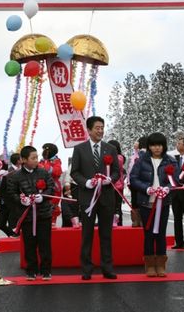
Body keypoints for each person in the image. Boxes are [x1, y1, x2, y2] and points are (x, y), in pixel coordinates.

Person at [70, 116, 120, 280]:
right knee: (87, 234)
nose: (100, 130)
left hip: (106, 198)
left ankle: (107, 268)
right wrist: (86, 183)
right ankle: (86, 269)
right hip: (87, 198)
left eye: (102, 127)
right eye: (97, 128)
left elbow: (116, 172)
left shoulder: (110, 149)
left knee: (106, 234)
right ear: (89, 130)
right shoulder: (79, 149)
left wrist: (109, 179)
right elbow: (74, 172)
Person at [130, 132, 177, 277]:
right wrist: (146, 188)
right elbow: (133, 178)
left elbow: (175, 181)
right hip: (146, 203)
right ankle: (150, 264)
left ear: (164, 146)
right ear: (149, 146)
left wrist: (167, 188)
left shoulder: (170, 161)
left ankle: (161, 264)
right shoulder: (141, 161)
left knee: (161, 234)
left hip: (163, 204)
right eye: (153, 145)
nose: (156, 148)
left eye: (159, 145)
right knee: (148, 234)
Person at [7, 146, 55, 280]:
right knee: (29, 244)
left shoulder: (43, 172)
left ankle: (46, 270)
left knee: (45, 243)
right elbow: (11, 194)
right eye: (33, 158)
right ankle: (31, 270)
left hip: (43, 214)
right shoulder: (15, 176)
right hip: (26, 215)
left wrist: (43, 196)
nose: (36, 160)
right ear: (23, 160)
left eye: (36, 157)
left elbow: (51, 188)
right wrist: (21, 200)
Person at [38, 143, 63, 227]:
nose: (43, 152)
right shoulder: (41, 161)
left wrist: (45, 166)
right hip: (42, 186)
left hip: (54, 187)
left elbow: (57, 171)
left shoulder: (56, 161)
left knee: (52, 206)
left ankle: (53, 223)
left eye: (45, 150)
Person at [0, 153, 21, 237]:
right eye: (21, 158)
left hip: (15, 202)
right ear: (18, 161)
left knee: (13, 223)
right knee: (1, 223)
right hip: (7, 202)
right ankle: (12, 235)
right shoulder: (10, 171)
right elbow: (4, 188)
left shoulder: (20, 171)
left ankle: (13, 237)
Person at [128, 137, 146, 227]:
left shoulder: (144, 153)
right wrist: (128, 181)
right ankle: (136, 220)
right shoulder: (134, 154)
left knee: (141, 201)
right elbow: (130, 169)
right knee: (134, 200)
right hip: (134, 182)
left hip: (142, 182)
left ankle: (142, 220)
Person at [108, 139, 125, 226]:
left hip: (117, 186)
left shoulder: (119, 157)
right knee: (109, 207)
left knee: (117, 207)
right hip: (109, 185)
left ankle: (118, 223)